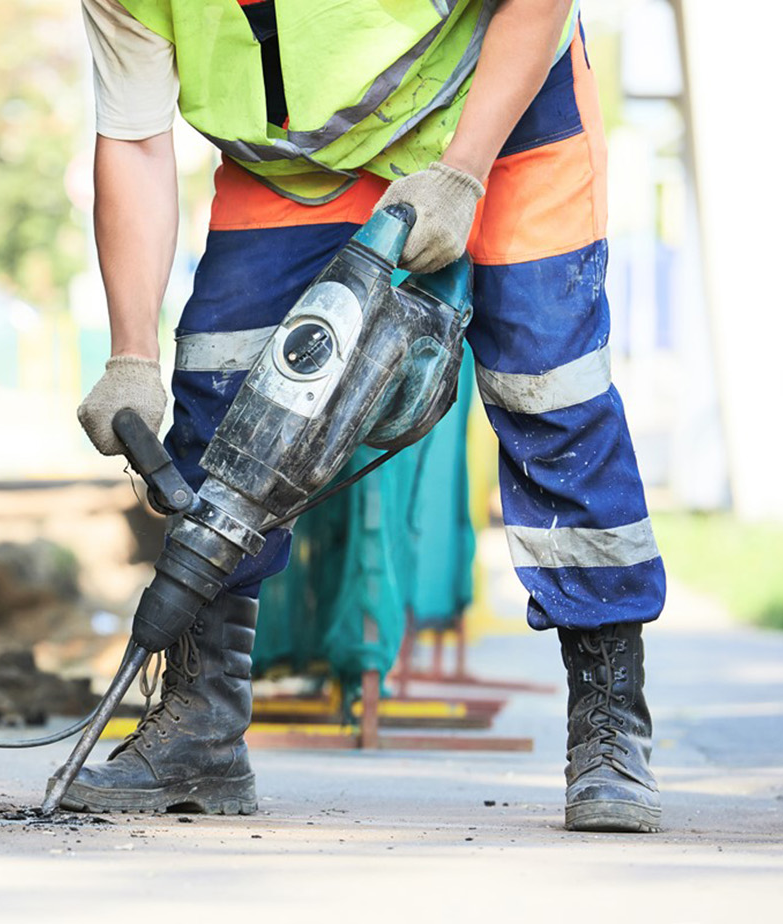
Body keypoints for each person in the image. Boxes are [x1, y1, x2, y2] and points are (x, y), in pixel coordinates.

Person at [68, 0, 665, 833]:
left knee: (548, 392)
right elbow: (134, 140)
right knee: (222, 400)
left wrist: (463, 169)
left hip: (501, 111)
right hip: (299, 166)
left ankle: (610, 728)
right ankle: (199, 729)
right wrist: (129, 355)